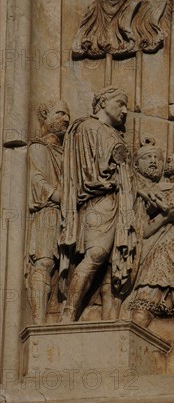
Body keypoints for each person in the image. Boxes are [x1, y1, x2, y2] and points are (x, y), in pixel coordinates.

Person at [121, 138, 174, 373]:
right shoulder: (143, 193)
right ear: (137, 165)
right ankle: (123, 371)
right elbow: (142, 231)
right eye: (148, 158)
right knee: (140, 316)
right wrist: (165, 218)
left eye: (158, 158)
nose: (154, 161)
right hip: (159, 259)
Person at [59, 86, 135, 322]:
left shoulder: (110, 132)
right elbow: (103, 166)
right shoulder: (90, 127)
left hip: (118, 202)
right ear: (103, 103)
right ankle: (68, 313)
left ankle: (109, 318)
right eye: (120, 103)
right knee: (96, 255)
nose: (125, 111)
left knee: (112, 265)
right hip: (99, 201)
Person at [26, 99, 70, 324]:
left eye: (67, 115)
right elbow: (37, 180)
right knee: (44, 262)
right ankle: (38, 322)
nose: (66, 119)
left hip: (70, 214)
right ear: (46, 116)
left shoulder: (68, 154)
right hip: (49, 211)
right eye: (60, 114)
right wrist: (58, 195)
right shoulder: (39, 147)